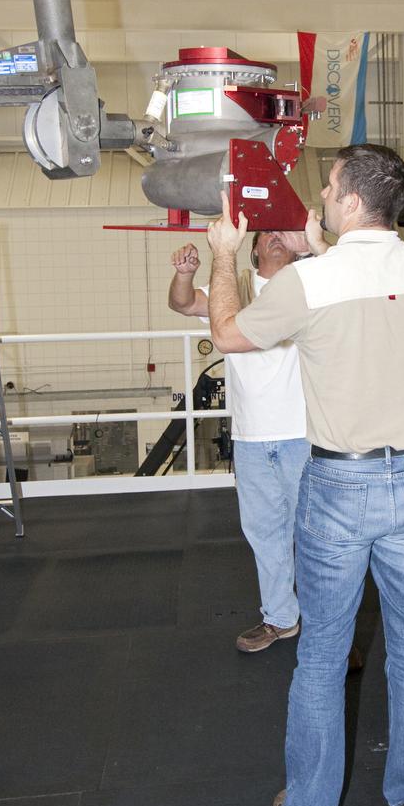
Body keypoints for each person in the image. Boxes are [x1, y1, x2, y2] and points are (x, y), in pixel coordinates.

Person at [205, 143, 404, 806]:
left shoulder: (312, 282)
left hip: (340, 489)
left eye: (328, 186)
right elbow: (362, 286)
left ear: (347, 204)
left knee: (318, 658)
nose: (318, 194)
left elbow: (226, 333)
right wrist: (321, 249)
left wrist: (224, 256)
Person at [168, 230, 311, 653]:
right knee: (265, 533)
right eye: (266, 234)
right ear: (251, 249)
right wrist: (185, 273)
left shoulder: (311, 284)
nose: (275, 238)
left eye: (282, 232)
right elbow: (182, 302)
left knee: (317, 538)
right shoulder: (235, 289)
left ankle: (329, 629)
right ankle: (281, 619)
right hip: (250, 438)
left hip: (306, 435)